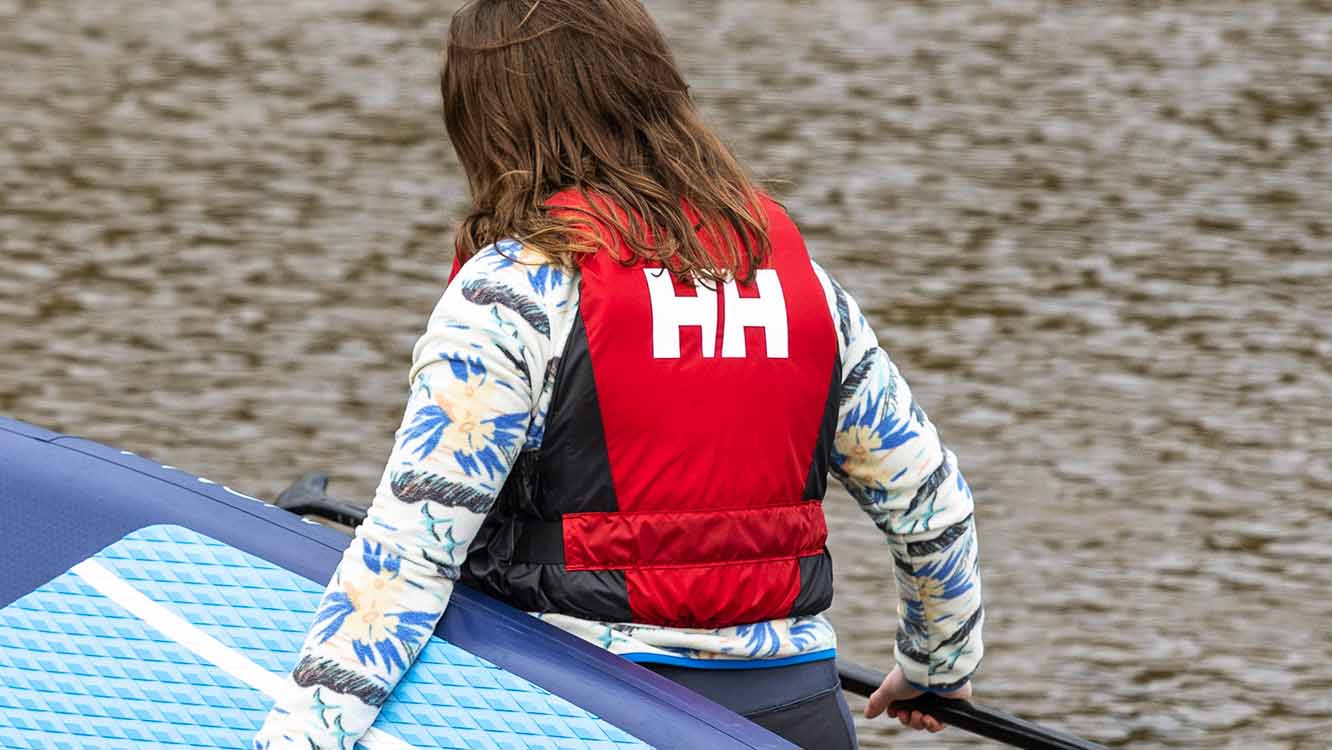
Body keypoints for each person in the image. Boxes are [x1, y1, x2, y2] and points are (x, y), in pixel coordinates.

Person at [247, 2, 989, 749]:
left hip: (583, 711)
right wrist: (936, 663)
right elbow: (934, 508)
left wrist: (299, 739)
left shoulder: (516, 291)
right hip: (797, 716)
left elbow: (407, 560)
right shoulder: (802, 291)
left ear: (494, 122)